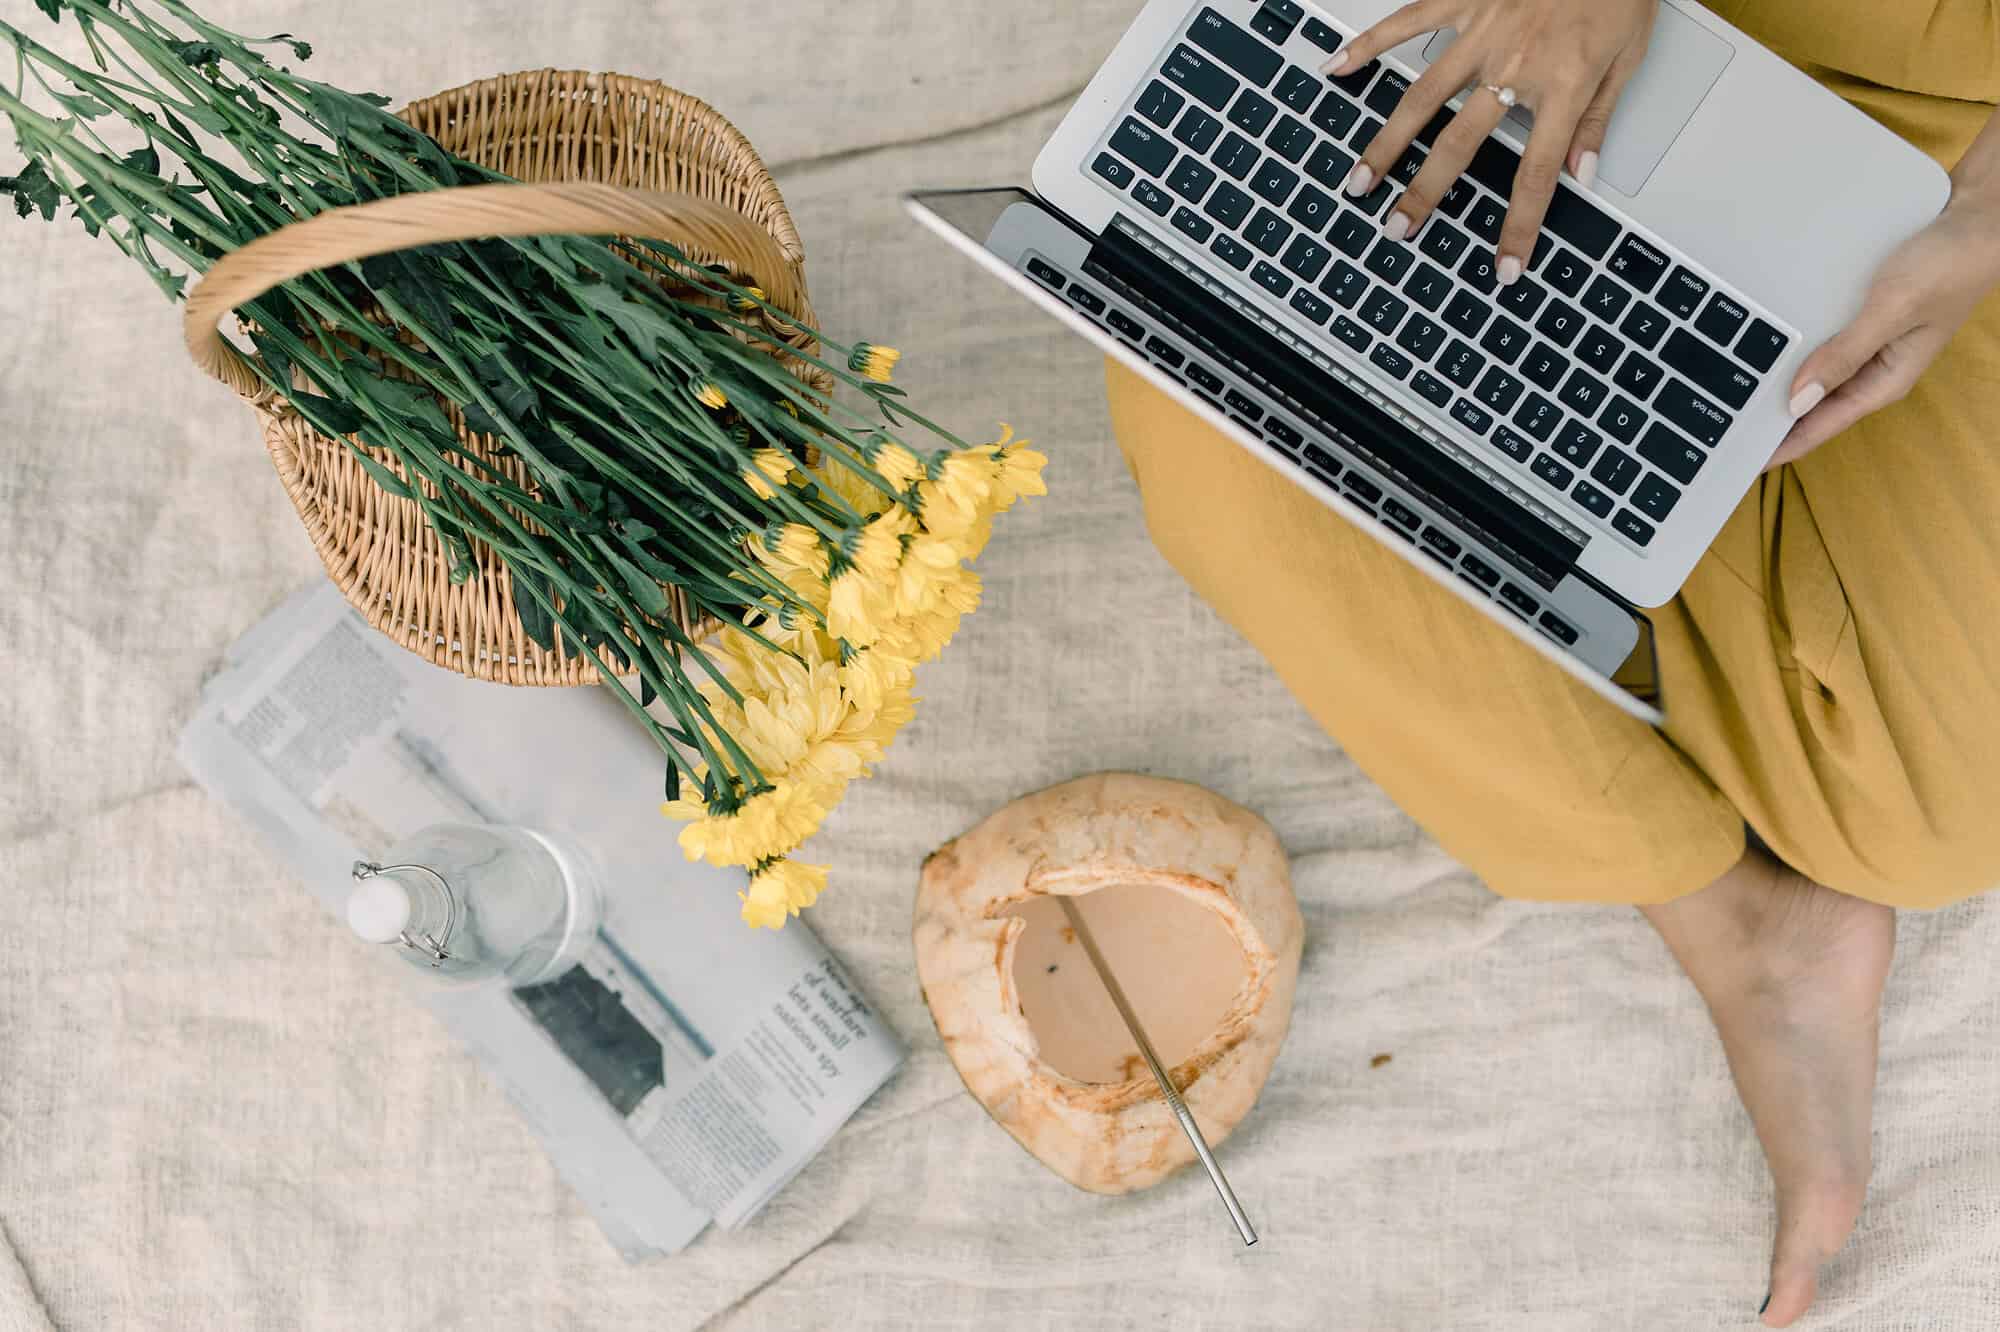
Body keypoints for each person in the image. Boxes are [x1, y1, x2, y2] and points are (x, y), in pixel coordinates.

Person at [1103, 0, 2000, 1324]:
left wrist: (1987, 217)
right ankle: (1735, 920)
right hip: (1506, 45)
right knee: (1210, 405)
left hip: (1931, 144)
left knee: (1950, 815)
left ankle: (1610, 516)